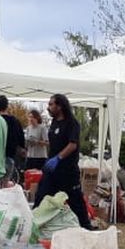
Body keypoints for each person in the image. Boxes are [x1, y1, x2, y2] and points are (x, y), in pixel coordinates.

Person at [34, 93, 92, 229]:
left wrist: (58, 158)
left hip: (68, 171)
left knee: (75, 200)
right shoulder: (54, 123)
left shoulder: (72, 123)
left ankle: (86, 226)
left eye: (51, 104)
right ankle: (35, 225)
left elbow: (73, 145)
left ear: (59, 106)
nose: (48, 107)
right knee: (41, 196)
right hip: (52, 171)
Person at [0, 95, 25, 183]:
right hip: (10, 156)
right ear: (7, 106)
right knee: (6, 184)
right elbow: (21, 140)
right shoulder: (14, 121)